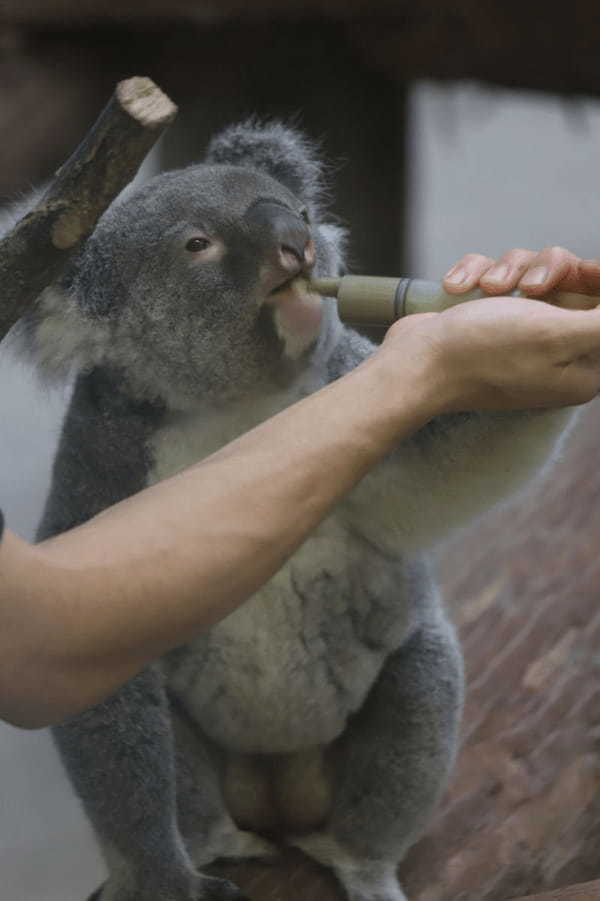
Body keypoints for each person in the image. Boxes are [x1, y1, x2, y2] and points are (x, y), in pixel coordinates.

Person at [2, 245, 600, 731]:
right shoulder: (104, 423)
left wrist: (524, 378)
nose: (293, 255)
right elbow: (34, 640)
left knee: (425, 649)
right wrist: (427, 369)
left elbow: (408, 507)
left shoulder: (333, 360)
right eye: (197, 246)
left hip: (351, 732)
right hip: (201, 771)